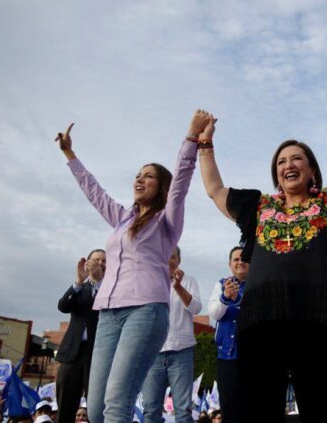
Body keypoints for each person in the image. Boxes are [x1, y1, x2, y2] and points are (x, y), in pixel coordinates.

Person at [198, 84, 327, 422]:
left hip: (318, 320)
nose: (288, 165)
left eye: (296, 159)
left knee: (326, 411)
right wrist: (205, 143)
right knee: (259, 412)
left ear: (311, 170)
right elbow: (215, 190)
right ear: (276, 173)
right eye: (281, 161)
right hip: (262, 322)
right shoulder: (258, 207)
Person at [54, 110, 212, 423]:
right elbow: (93, 191)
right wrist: (70, 153)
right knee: (96, 409)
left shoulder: (167, 220)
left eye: (148, 175)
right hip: (109, 315)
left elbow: (181, 179)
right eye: (138, 175)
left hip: (145, 311)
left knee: (117, 404)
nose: (139, 179)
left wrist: (191, 139)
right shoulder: (121, 220)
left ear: (161, 187)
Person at [141, 246, 202, 423]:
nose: (169, 260)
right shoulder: (148, 282)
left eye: (173, 256)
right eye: (165, 256)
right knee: (150, 409)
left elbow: (196, 308)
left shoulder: (189, 280)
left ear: (179, 260)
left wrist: (178, 287)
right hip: (152, 353)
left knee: (183, 410)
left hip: (181, 351)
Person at [55, 249, 105, 423]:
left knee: (96, 406)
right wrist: (78, 281)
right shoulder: (79, 288)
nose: (100, 264)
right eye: (96, 260)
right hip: (72, 353)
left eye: (104, 261)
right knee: (65, 403)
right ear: (87, 263)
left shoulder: (111, 289)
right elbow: (63, 306)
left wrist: (99, 282)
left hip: (98, 353)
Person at [207, 246, 248, 423]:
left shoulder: (259, 283)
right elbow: (214, 314)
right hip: (227, 356)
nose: (240, 262)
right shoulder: (221, 284)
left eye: (243, 259)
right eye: (236, 260)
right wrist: (225, 297)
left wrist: (238, 300)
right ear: (230, 265)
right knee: (229, 409)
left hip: (253, 356)